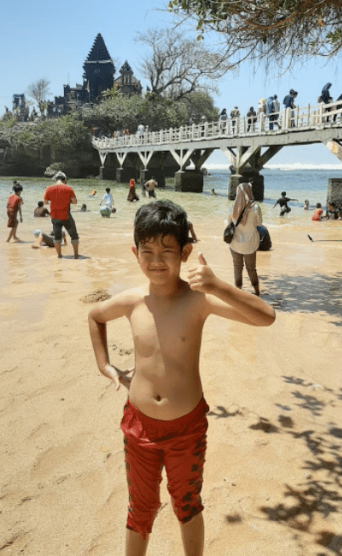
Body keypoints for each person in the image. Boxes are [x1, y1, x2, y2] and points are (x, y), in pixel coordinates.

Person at [87, 200, 275, 556]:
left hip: (187, 428)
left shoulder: (198, 301)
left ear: (185, 252)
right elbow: (95, 316)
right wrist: (105, 365)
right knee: (140, 507)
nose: (156, 261)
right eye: (148, 251)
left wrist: (217, 285)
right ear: (135, 252)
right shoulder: (131, 301)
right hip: (138, 426)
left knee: (187, 504)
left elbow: (265, 317)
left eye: (167, 251)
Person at [227, 183, 264, 295]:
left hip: (235, 243)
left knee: (237, 267)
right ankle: (257, 291)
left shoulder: (232, 207)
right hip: (250, 243)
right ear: (249, 192)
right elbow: (259, 223)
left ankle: (239, 292)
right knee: (251, 268)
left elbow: (229, 223)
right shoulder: (256, 208)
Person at [43, 171, 80, 259]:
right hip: (66, 216)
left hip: (54, 216)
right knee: (74, 236)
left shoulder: (49, 189)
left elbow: (45, 202)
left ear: (55, 179)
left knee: (57, 236)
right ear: (64, 180)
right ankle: (75, 255)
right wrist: (67, 201)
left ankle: (59, 255)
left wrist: (54, 201)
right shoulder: (68, 189)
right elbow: (75, 202)